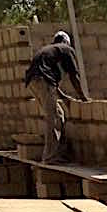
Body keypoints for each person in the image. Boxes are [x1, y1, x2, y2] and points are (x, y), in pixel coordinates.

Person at [24, 30, 89, 162]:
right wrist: (83, 97)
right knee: (52, 118)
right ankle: (50, 156)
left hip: (32, 82)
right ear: (66, 42)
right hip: (42, 81)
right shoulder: (66, 49)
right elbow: (74, 76)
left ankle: (60, 152)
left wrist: (63, 96)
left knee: (59, 115)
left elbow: (50, 79)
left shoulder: (49, 50)